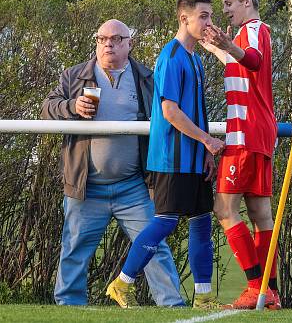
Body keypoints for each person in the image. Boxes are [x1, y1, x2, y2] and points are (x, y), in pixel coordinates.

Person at [41, 19, 184, 307]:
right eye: (102, 38)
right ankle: (68, 307)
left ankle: (172, 306)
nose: (108, 44)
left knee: (154, 247)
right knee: (74, 250)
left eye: (117, 39)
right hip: (86, 188)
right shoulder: (74, 76)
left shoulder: (146, 78)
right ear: (96, 42)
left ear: (130, 43)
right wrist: (72, 106)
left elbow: (169, 118)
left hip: (133, 188)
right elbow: (47, 108)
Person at [106, 0, 225, 309]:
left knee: (202, 221)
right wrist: (207, 141)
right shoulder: (171, 57)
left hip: (194, 159)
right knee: (166, 222)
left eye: (211, 16)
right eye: (204, 16)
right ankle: (122, 283)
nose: (209, 22)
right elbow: (170, 111)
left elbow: (196, 111)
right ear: (184, 18)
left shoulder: (196, 58)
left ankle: (204, 298)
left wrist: (205, 153)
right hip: (170, 159)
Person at [200, 0, 280, 310]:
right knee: (261, 214)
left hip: (245, 135)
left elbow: (252, 60)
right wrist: (217, 47)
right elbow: (242, 64)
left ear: (246, 1)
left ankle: (253, 286)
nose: (226, 12)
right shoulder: (251, 35)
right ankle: (270, 293)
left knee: (224, 208)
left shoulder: (253, 30)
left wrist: (228, 45)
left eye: (229, 4)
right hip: (260, 134)